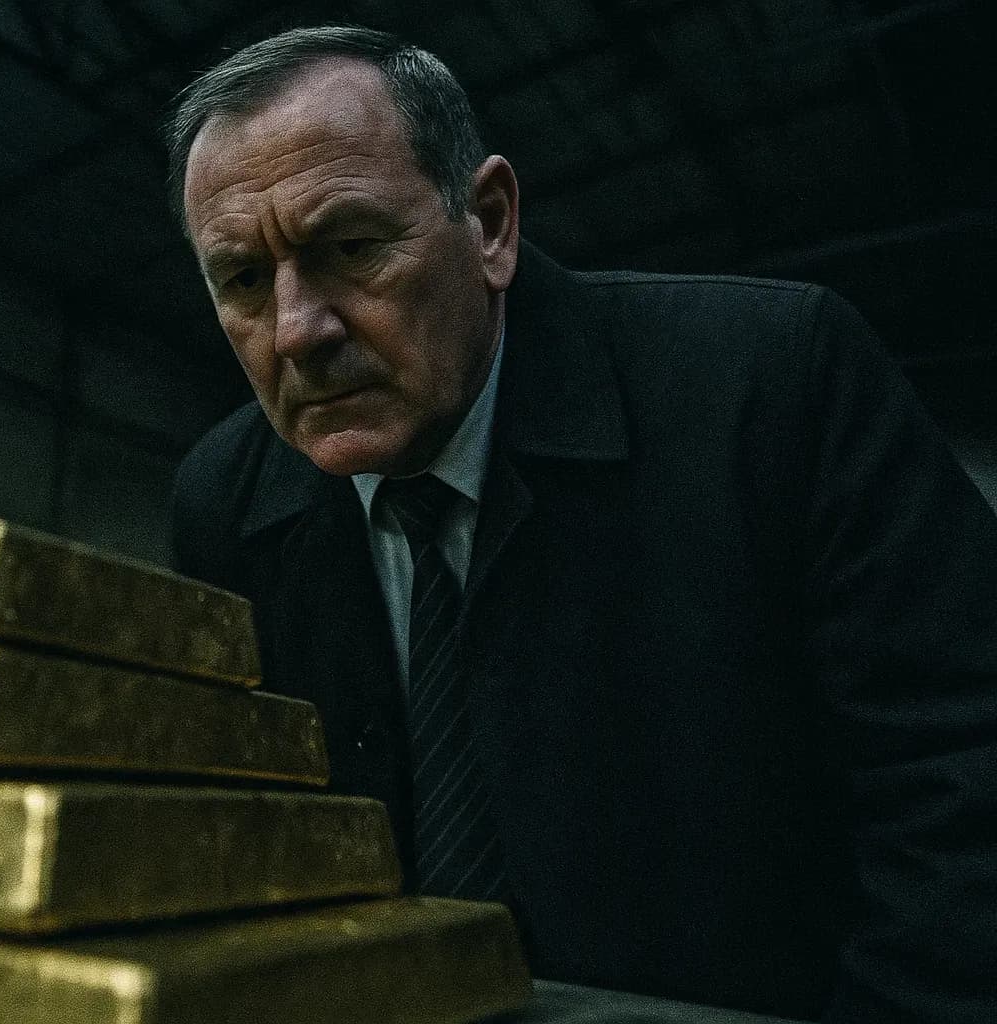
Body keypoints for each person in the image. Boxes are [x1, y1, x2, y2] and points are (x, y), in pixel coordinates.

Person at [164, 25, 997, 1024]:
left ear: (490, 225)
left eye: (350, 248)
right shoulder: (220, 499)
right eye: (244, 281)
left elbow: (959, 795)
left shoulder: (773, 384)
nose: (299, 328)